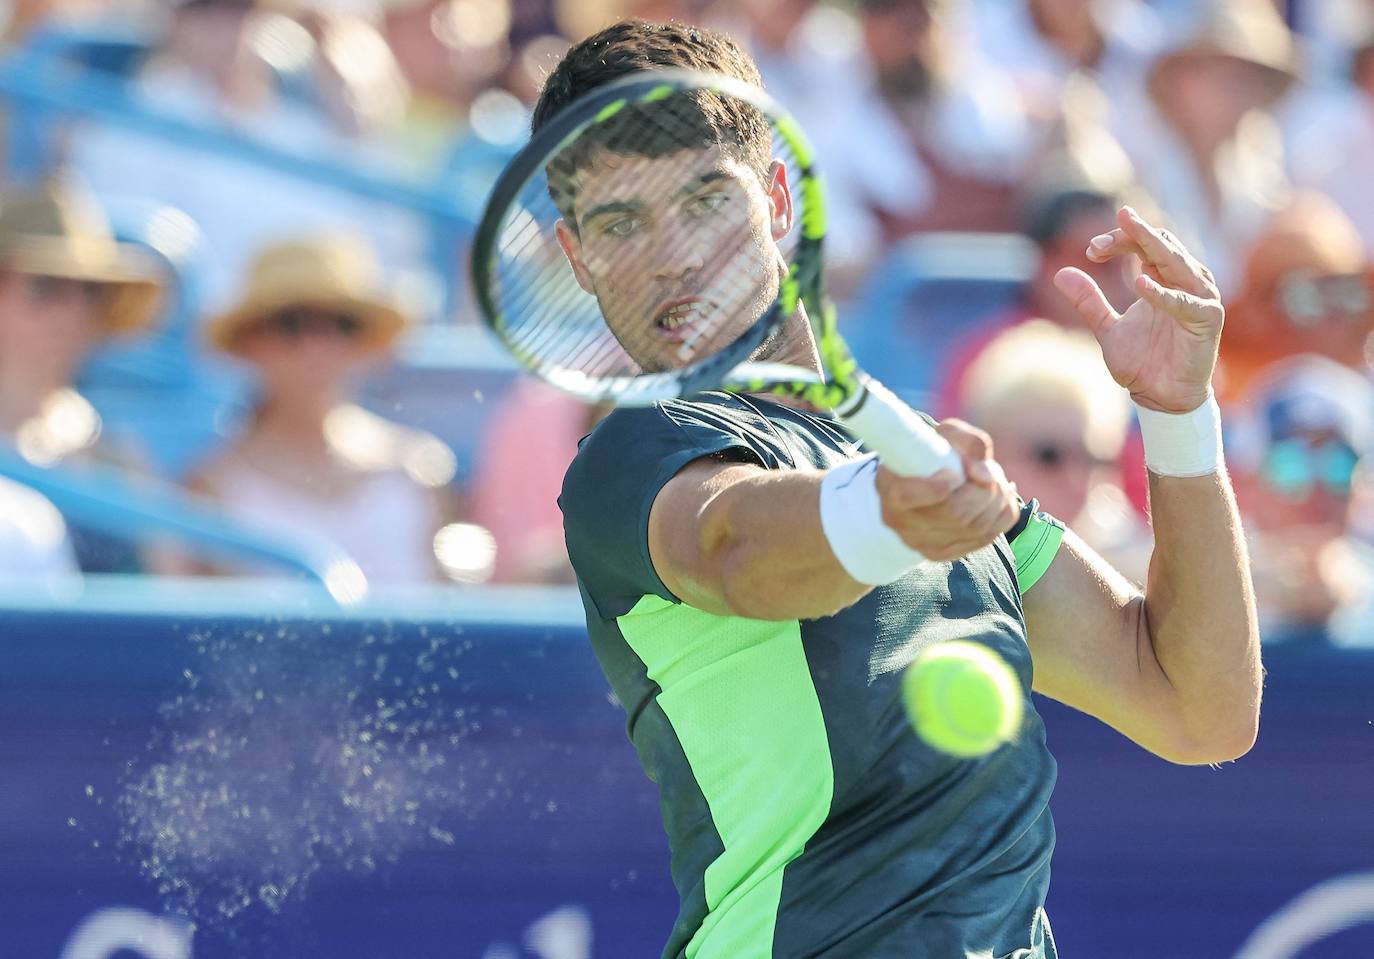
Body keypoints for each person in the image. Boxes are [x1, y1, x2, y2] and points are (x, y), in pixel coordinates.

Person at [544, 20, 1260, 958]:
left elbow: (1198, 707)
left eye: (702, 200)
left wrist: (1179, 416)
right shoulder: (632, 458)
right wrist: (888, 517)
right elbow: (737, 548)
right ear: (576, 256)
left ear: (774, 198)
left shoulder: (926, 477)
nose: (668, 254)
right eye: (618, 223)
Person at [186, 234, 454, 585]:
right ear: (250, 341)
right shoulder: (210, 488)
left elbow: (457, 613)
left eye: (343, 324)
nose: (318, 345)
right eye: (291, 323)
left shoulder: (421, 467)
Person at [0, 177, 169, 572]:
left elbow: (166, 597)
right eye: (47, 286)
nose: (73, 310)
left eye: (91, 291)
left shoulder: (120, 457)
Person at [959, 320, 1150, 583]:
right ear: (986, 454)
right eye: (1049, 455)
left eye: (1096, 459)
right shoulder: (942, 564)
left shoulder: (1140, 574)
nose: (1077, 478)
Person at [1228, 355, 1374, 646]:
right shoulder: (1208, 589)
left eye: (1338, 465)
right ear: (1248, 482)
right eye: (1290, 465)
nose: (1316, 488)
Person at [1218, 192, 1373, 405]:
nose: (1333, 317)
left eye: (1347, 291)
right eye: (1303, 295)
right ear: (1253, 316)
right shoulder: (1222, 408)